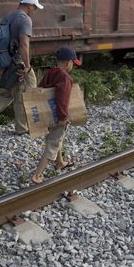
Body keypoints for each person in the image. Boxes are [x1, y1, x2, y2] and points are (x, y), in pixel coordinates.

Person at [0, 0, 42, 135]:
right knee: (26, 92)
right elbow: (24, 44)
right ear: (29, 6)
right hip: (17, 63)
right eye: (34, 8)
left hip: (4, 61)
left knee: (6, 94)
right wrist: (27, 65)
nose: (34, 11)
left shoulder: (9, 17)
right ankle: (22, 128)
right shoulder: (25, 20)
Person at [31, 46, 81, 184]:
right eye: (72, 63)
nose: (72, 66)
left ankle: (60, 162)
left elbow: (40, 90)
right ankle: (37, 175)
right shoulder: (65, 78)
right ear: (68, 63)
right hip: (58, 116)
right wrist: (63, 117)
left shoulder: (49, 73)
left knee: (56, 138)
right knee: (53, 143)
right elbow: (63, 99)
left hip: (46, 114)